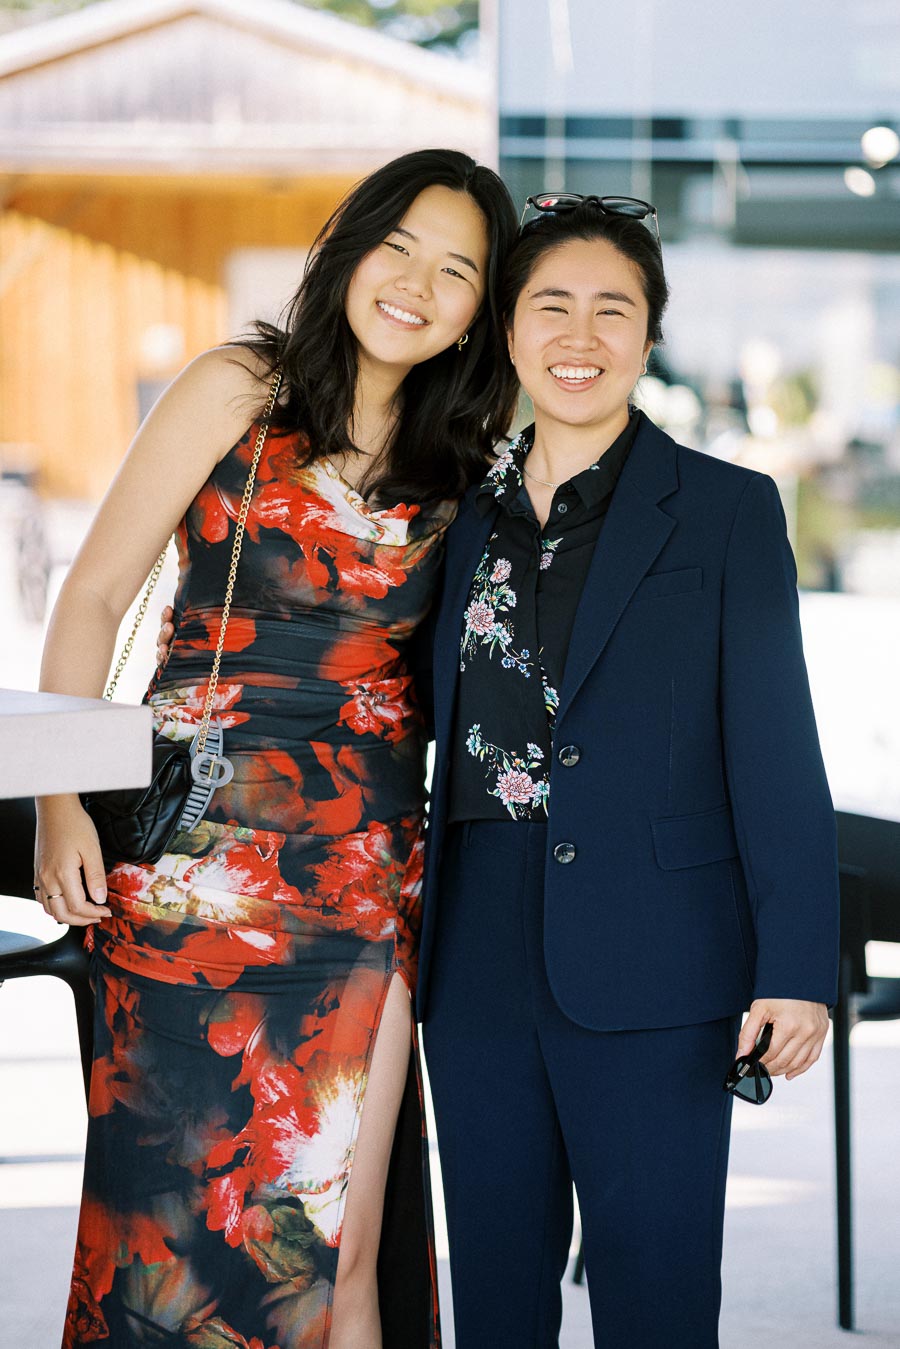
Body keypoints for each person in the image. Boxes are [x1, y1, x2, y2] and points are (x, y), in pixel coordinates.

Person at [33, 147, 518, 1349]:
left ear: (481, 310)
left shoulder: (465, 456)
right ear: (352, 247)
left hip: (362, 877)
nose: (417, 283)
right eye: (400, 245)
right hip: (191, 863)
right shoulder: (238, 387)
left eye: (458, 270)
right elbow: (92, 594)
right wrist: (59, 805)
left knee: (338, 1243)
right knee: (162, 1224)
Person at [414, 197, 840, 1348]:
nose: (581, 334)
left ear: (649, 338)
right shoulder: (451, 512)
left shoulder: (725, 509)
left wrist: (797, 963)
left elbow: (776, 744)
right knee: (496, 1295)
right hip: (474, 964)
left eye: (616, 309)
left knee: (654, 1298)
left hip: (663, 962)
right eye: (552, 304)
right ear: (506, 328)